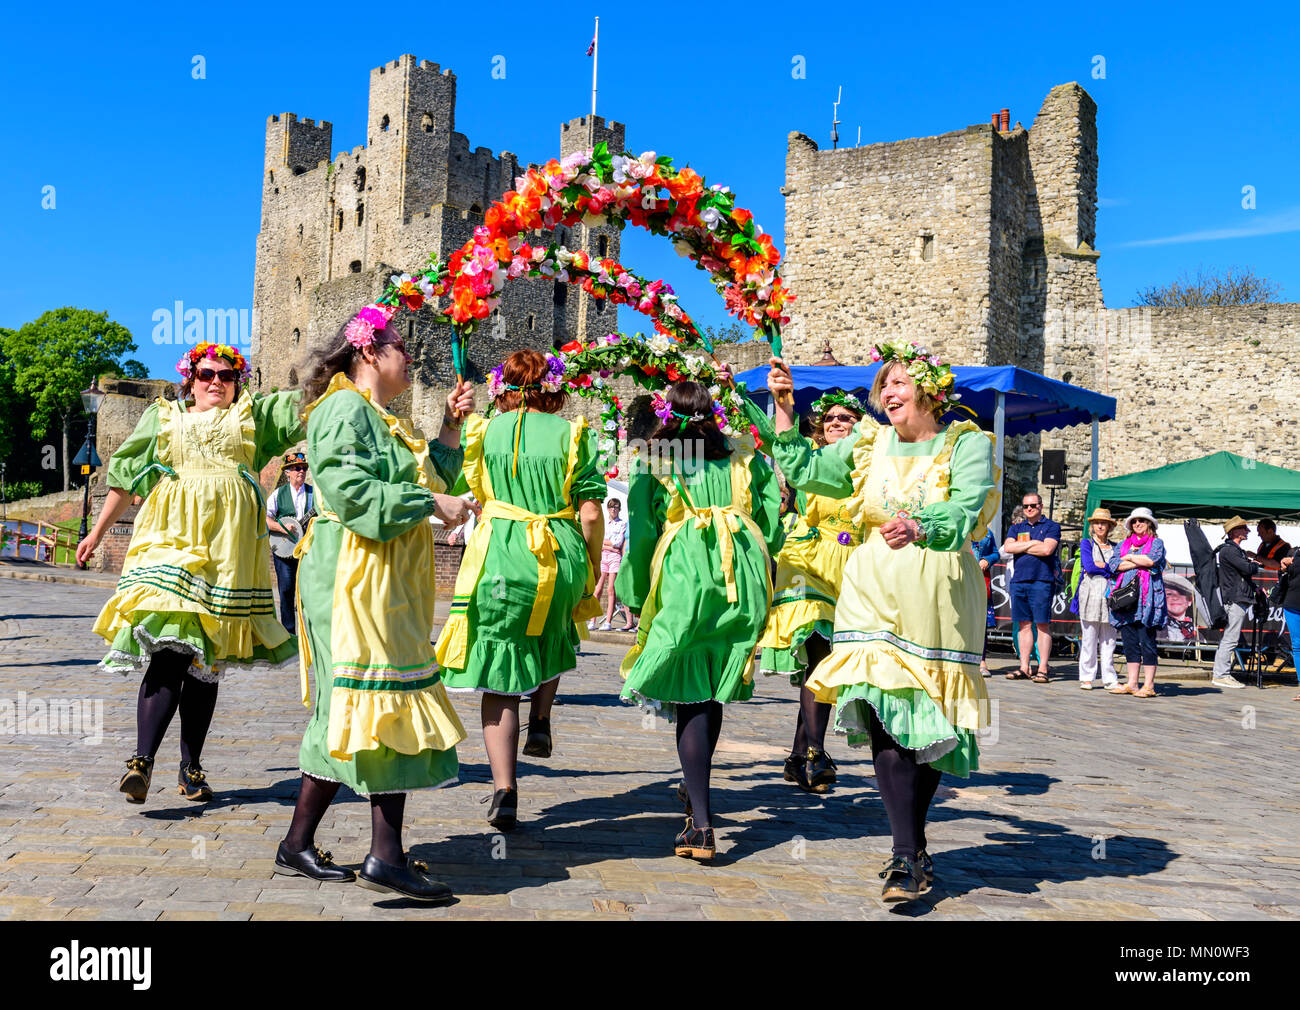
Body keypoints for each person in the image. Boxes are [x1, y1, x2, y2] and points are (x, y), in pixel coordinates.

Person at [768, 342, 996, 902]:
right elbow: (805, 469)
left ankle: (913, 842)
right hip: (871, 587)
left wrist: (920, 525)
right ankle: (902, 854)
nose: (888, 393)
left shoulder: (966, 444)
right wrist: (783, 406)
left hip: (936, 591)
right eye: (883, 386)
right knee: (883, 711)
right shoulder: (866, 443)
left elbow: (970, 506)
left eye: (899, 383)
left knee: (929, 722)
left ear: (929, 392)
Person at [275, 304, 475, 902]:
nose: (411, 358)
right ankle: (386, 856)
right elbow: (353, 493)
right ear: (369, 351)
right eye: (400, 348)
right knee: (376, 695)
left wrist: (447, 427)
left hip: (385, 574)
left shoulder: (381, 417)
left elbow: (426, 480)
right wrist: (433, 507)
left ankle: (296, 843)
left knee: (355, 701)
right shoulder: (340, 409)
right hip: (351, 572)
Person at [76, 342, 303, 805]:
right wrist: (97, 533)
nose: (215, 381)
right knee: (171, 647)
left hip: (229, 552)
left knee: (205, 663)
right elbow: (124, 475)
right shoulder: (162, 418)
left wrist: (359, 338)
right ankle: (141, 761)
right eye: (205, 374)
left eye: (226, 375)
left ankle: (191, 766)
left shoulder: (254, 418)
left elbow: (310, 399)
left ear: (239, 381)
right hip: (171, 540)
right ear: (190, 380)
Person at [435, 349, 605, 832]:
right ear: (552, 388)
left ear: (504, 386)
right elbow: (591, 511)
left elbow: (465, 489)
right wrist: (589, 564)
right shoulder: (573, 433)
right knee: (554, 631)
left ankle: (505, 789)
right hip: (556, 548)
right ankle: (544, 718)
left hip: (498, 555)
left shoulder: (482, 430)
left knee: (500, 674)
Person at [617, 379, 781, 862]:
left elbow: (644, 527)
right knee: (710, 683)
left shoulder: (657, 459)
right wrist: (761, 557)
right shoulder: (743, 455)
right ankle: (698, 800)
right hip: (743, 570)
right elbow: (770, 516)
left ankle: (703, 824)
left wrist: (638, 589)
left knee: (690, 688)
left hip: (688, 572)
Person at [757, 389, 866, 793]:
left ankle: (797, 755)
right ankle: (817, 754)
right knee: (819, 654)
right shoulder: (806, 456)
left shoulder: (871, 460)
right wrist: (746, 394)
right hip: (808, 563)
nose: (837, 422)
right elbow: (772, 436)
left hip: (854, 567)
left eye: (846, 417)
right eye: (830, 417)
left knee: (825, 666)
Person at [1106, 508, 1167, 698]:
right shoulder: (1123, 544)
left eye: (1141, 520)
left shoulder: (1156, 543)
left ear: (1149, 523)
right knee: (1130, 642)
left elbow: (1152, 560)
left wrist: (1131, 557)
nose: (1137, 524)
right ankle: (1132, 683)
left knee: (1147, 641)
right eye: (1134, 521)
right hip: (1125, 600)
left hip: (1147, 600)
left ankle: (1149, 685)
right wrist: (1137, 560)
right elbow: (1115, 565)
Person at [1003, 492, 1060, 682]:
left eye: (1033, 506)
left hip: (1041, 581)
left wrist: (1024, 545)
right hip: (1019, 580)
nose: (1029, 509)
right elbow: (1008, 548)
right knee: (1023, 625)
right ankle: (1024, 666)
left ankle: (1043, 667)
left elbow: (1047, 550)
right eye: (1026, 506)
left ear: (1040, 506)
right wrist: (1034, 543)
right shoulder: (1017, 527)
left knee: (1042, 625)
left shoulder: (1052, 526)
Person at [266, 451, 314, 635]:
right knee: (286, 592)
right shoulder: (278, 494)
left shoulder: (312, 494)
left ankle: (307, 632)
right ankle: (289, 633)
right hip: (284, 551)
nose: (301, 471)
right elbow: (267, 519)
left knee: (307, 591)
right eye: (297, 468)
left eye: (303, 468)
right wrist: (282, 527)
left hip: (306, 550)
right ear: (287, 472)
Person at [1211, 515, 1258, 690]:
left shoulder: (1234, 550)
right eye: (1244, 528)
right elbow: (1247, 569)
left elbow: (1242, 574)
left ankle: (1221, 674)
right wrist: (1253, 564)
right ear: (1234, 531)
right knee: (1230, 638)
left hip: (1237, 597)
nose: (1248, 531)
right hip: (1235, 598)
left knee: (1229, 638)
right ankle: (1221, 675)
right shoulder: (1230, 551)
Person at [1074, 507, 1119, 689]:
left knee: (1109, 640)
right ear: (1092, 526)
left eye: (1104, 523)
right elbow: (1089, 566)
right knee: (1089, 638)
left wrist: (1105, 566)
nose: (1100, 526)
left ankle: (1109, 677)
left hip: (1110, 597)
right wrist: (1108, 567)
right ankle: (1087, 676)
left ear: (1109, 527)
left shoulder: (1116, 547)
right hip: (1090, 595)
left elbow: (1119, 567)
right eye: (1097, 523)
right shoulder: (1087, 544)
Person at [590, 498, 634, 631]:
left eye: (616, 507)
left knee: (611, 590)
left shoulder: (622, 524)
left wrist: (607, 545)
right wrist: (610, 546)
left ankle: (608, 621)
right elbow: (600, 541)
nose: (613, 509)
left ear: (619, 509)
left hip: (615, 558)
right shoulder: (604, 524)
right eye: (611, 507)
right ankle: (592, 621)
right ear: (608, 509)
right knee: (597, 590)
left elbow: (618, 542)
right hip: (604, 557)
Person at [972, 529, 1000, 676]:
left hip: (981, 581)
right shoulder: (958, 526)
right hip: (960, 579)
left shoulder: (986, 532)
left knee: (981, 623)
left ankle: (982, 661)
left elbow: (996, 553)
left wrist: (987, 559)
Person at [1276, 549, 1300, 700]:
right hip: (1292, 605)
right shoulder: (1296, 553)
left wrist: (1287, 565)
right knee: (1297, 646)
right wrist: (1284, 565)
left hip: (1292, 605)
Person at [1159, 575, 1199, 644]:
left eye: (1181, 593)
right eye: (1169, 594)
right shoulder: (1156, 630)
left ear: (1190, 600)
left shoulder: (1199, 634)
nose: (1175, 598)